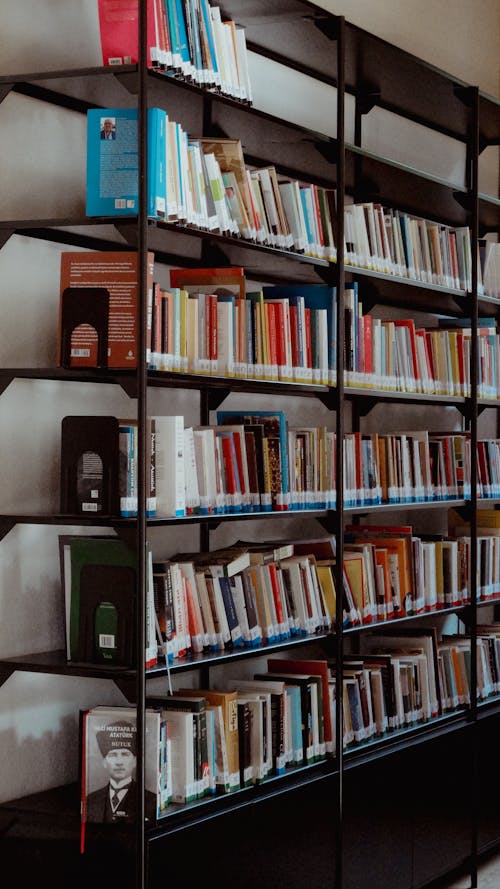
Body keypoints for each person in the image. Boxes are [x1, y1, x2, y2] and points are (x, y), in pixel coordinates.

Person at [86, 719, 156, 823]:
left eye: (125, 754)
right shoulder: (91, 800)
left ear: (135, 761)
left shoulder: (150, 801)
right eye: (113, 755)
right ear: (104, 762)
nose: (119, 762)